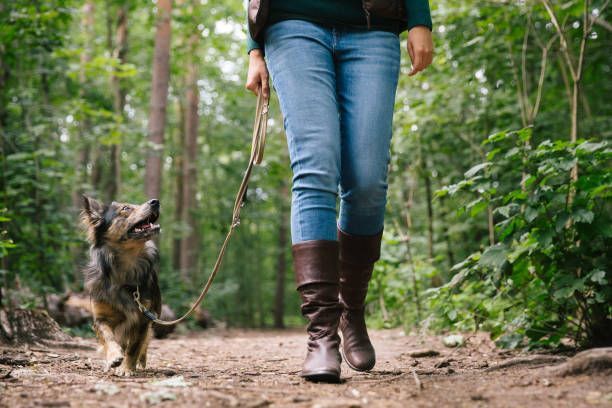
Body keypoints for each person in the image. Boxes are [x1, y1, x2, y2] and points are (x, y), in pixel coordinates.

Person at [245, 0, 433, 383]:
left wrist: (419, 18)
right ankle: (322, 335)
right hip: (291, 22)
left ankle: (352, 308)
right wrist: (253, 47)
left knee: (367, 181)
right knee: (315, 167)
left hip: (373, 25)